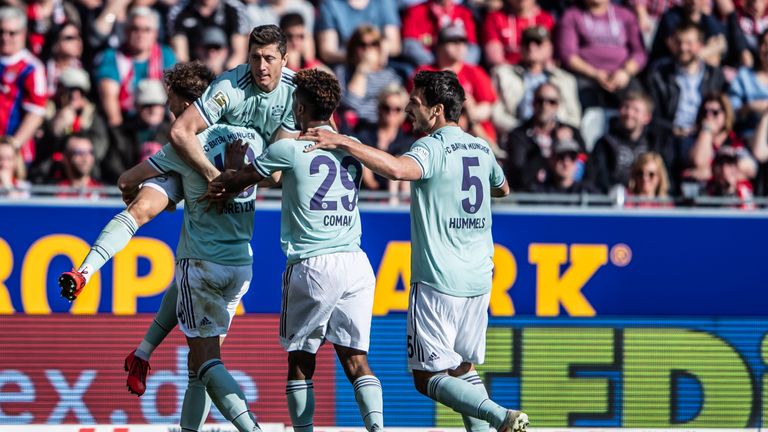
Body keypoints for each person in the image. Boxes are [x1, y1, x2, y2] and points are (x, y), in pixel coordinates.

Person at [297, 70, 529, 432]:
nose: (408, 108)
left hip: (439, 280)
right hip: (480, 279)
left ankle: (500, 415)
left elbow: (395, 169)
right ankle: (496, 421)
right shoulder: (481, 146)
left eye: (415, 102)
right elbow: (503, 188)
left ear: (437, 111)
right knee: (462, 368)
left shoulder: (431, 147)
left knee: (425, 378)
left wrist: (344, 142)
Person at [201, 67, 385, 432]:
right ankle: (377, 428)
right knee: (356, 359)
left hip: (313, 264)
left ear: (299, 109)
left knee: (301, 359)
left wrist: (228, 170)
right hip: (356, 263)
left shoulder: (289, 148)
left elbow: (244, 180)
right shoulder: (353, 149)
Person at [57, 63, 219, 424]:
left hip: (203, 232)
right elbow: (271, 174)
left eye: (173, 103)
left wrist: (131, 188)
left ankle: (90, 276)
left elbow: (126, 179)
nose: (171, 111)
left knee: (142, 213)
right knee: (205, 362)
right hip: (231, 252)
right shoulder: (242, 137)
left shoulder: (181, 138)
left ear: (187, 102)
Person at [169, 24, 298, 182]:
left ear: (284, 59)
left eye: (269, 58)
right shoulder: (230, 86)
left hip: (246, 176)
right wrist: (215, 177)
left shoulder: (296, 92)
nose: (261, 67)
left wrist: (234, 179)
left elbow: (275, 174)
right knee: (142, 202)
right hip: (205, 168)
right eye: (255, 57)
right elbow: (179, 131)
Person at [94, 6, 176, 127]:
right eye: (135, 29)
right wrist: (120, 133)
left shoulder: (166, 55)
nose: (140, 34)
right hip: (126, 122)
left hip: (159, 120)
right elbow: (109, 98)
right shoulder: (112, 57)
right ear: (126, 31)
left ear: (155, 34)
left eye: (146, 30)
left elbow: (174, 96)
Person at [491, 26, 581, 134]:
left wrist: (553, 130)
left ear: (549, 48)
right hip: (517, 137)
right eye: (527, 43)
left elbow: (574, 118)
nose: (531, 47)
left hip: (556, 136)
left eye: (538, 43)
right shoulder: (502, 74)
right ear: (521, 47)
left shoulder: (565, 79)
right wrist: (522, 131)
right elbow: (497, 113)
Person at [502, 82, 586, 192]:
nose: (544, 106)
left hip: (568, 198)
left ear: (558, 105)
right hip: (533, 199)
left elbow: (587, 170)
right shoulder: (518, 136)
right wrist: (548, 151)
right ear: (533, 103)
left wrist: (568, 144)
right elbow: (518, 178)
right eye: (540, 101)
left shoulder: (572, 133)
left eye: (551, 102)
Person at [0, 6, 48, 164]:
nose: (5, 37)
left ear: (23, 33)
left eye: (11, 33)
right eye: (1, 31)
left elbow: (36, 112)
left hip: (14, 154)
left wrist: (13, 145)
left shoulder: (32, 68)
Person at [336, 25, 402, 131]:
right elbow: (351, 104)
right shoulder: (343, 72)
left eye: (373, 44)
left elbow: (394, 110)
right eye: (362, 45)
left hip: (379, 129)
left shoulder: (389, 76)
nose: (368, 49)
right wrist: (362, 69)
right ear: (353, 48)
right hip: (354, 129)